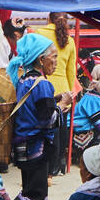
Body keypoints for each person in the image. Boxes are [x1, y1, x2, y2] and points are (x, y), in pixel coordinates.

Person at [9, 33, 67, 200]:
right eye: (54, 56)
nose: (57, 62)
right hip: (36, 150)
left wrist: (55, 100)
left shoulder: (24, 81)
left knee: (30, 191)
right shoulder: (42, 84)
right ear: (41, 60)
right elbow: (47, 121)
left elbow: (34, 109)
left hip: (23, 148)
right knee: (36, 196)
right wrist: (63, 105)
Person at [34, 13, 77, 175]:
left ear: (48, 19)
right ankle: (56, 165)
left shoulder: (39, 34)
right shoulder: (70, 41)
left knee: (44, 127)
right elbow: (71, 72)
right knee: (59, 128)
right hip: (63, 88)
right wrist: (70, 94)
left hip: (43, 86)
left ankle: (45, 165)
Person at [70, 67, 100, 161]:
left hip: (75, 128)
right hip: (78, 132)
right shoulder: (94, 98)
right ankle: (97, 154)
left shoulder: (91, 95)